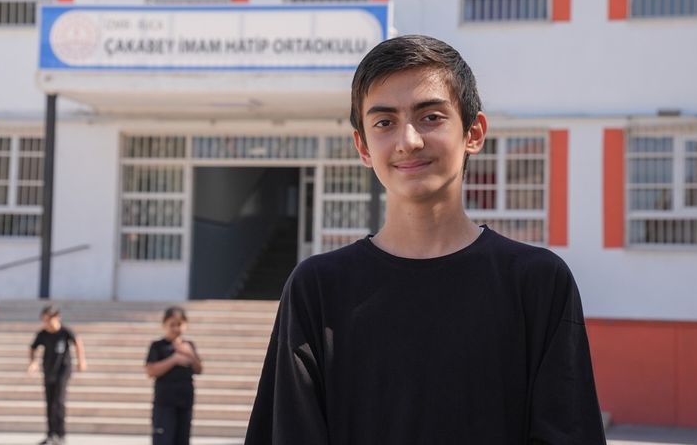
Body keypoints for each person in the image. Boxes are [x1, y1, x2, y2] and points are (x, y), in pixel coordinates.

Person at [244, 35, 606, 444]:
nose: (409, 141)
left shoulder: (537, 282)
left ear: (474, 132)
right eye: (384, 123)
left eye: (431, 117)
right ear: (363, 146)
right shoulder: (317, 290)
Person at [28, 305, 87, 445]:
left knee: (59, 402)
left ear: (57, 317)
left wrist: (81, 360)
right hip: (49, 370)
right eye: (45, 320)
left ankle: (60, 434)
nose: (47, 323)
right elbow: (32, 348)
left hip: (63, 370)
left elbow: (77, 341)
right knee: (49, 402)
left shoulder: (65, 331)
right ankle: (50, 434)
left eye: (49, 319)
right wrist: (33, 362)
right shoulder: (43, 334)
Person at [145, 306, 203, 445]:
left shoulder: (189, 345)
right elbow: (151, 371)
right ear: (164, 325)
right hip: (165, 403)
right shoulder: (158, 346)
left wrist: (190, 354)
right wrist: (174, 359)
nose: (176, 328)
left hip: (185, 402)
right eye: (172, 324)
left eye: (179, 324)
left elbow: (199, 369)